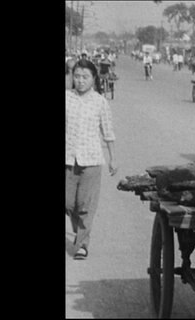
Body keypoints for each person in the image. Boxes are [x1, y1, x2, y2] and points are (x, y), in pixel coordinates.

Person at [66, 59, 117, 260]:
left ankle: (82, 244)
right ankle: (80, 233)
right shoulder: (66, 98)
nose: (80, 81)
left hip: (92, 160)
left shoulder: (100, 102)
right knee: (70, 204)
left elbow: (108, 132)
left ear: (93, 79)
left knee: (86, 205)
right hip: (68, 159)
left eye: (85, 77)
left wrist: (113, 158)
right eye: (76, 76)